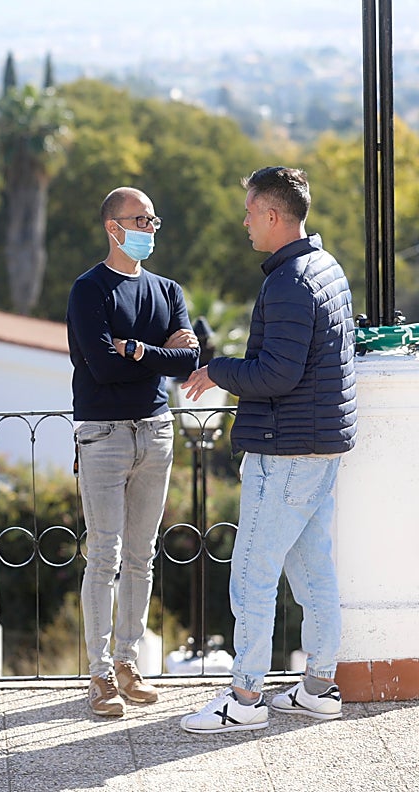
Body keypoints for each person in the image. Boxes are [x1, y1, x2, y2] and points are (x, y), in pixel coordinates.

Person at [180, 166, 356, 734]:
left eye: (252, 212)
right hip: (320, 448)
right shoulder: (325, 267)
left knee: (252, 574)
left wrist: (217, 370)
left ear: (275, 215)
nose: (246, 222)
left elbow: (278, 372)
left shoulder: (288, 281)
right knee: (312, 573)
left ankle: (245, 698)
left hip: (284, 452)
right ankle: (319, 688)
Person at [66, 187, 200, 717]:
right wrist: (159, 355)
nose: (148, 227)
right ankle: (99, 675)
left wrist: (138, 349)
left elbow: (189, 360)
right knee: (104, 555)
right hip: (102, 434)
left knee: (142, 556)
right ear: (112, 227)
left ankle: (128, 662)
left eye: (152, 217)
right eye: (138, 218)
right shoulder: (88, 290)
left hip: (156, 430)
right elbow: (102, 367)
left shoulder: (168, 290)